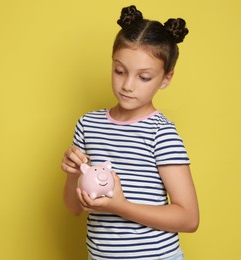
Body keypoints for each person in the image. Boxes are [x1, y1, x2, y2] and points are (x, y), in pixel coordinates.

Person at [61, 5, 199, 260]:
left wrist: (120, 206)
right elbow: (75, 208)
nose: (127, 85)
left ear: (166, 79)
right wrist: (71, 176)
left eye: (143, 77)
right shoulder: (87, 125)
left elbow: (189, 218)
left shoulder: (162, 133)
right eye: (119, 71)